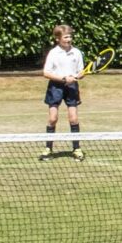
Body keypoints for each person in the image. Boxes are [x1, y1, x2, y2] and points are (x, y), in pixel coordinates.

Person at [42, 23, 86, 159]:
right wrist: (63, 78)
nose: (68, 39)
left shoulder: (77, 52)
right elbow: (46, 72)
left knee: (73, 118)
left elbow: (81, 71)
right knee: (52, 118)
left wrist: (76, 76)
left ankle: (77, 149)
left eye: (70, 37)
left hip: (72, 87)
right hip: (55, 87)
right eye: (65, 37)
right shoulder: (53, 53)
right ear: (58, 39)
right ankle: (48, 149)